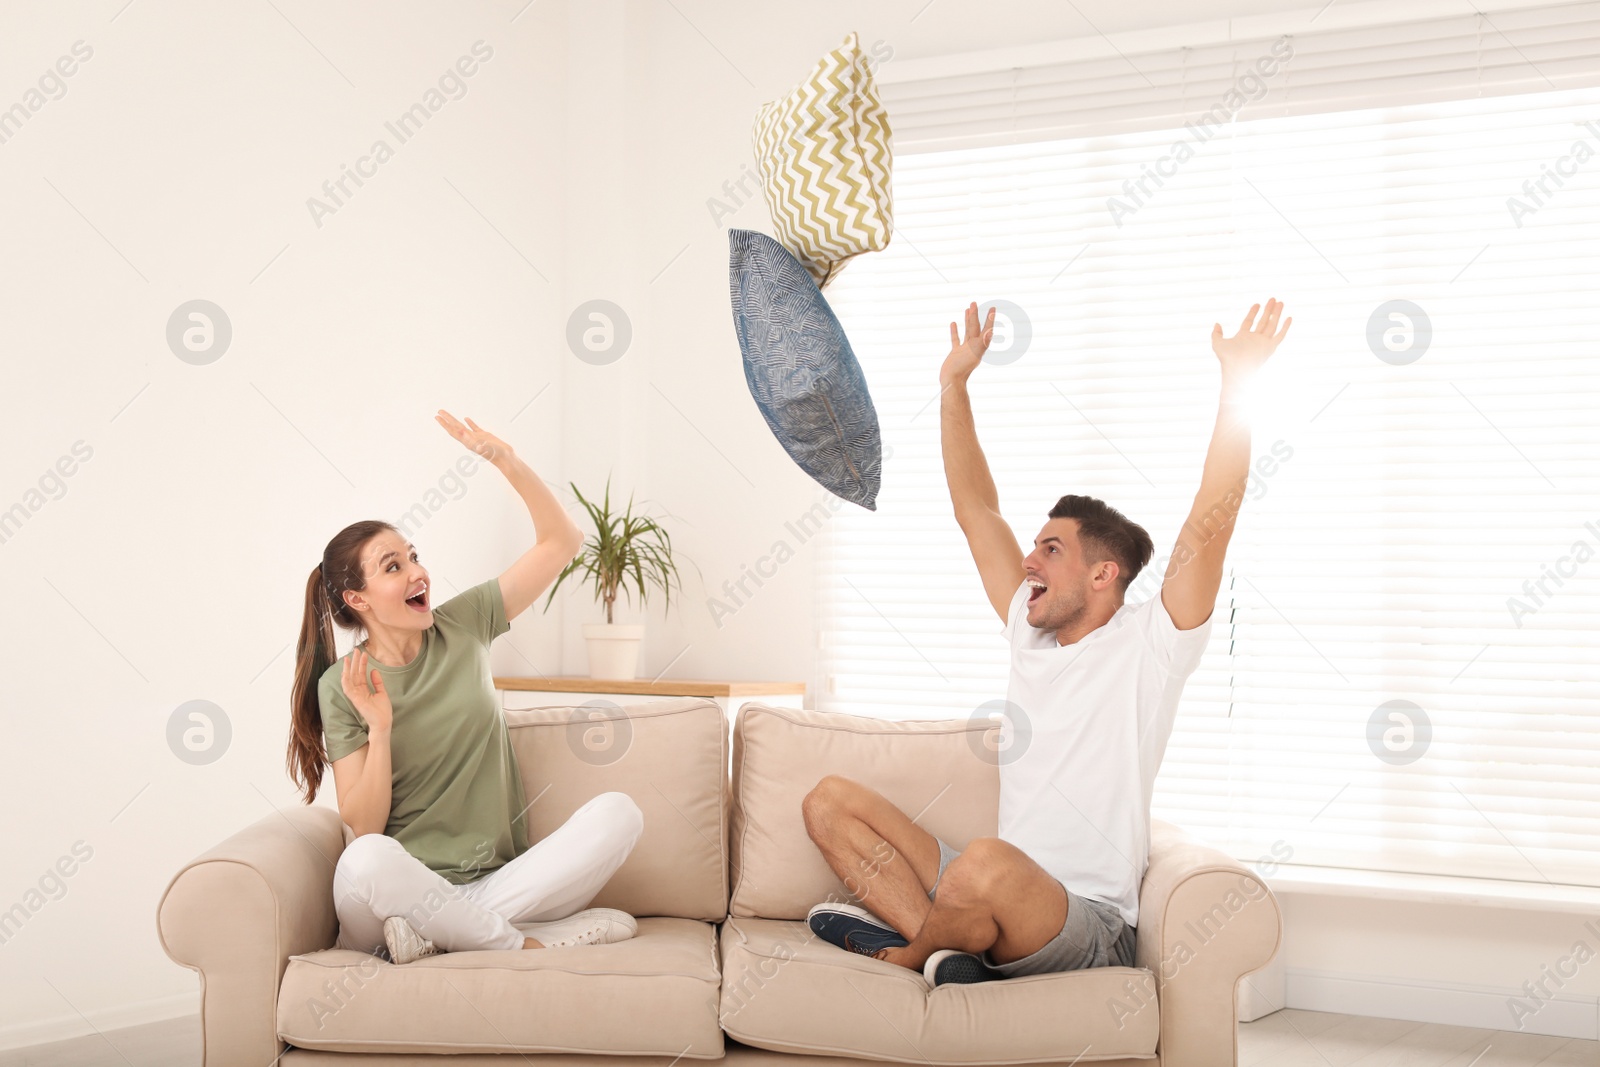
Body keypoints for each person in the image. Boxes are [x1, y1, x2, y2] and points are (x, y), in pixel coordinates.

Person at [804, 299, 1292, 986]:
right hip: (988, 881)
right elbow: (977, 510)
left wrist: (1238, 381)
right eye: (1034, 545)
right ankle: (953, 943)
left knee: (984, 863)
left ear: (1103, 573)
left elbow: (1212, 519)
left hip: (1083, 918)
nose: (1029, 559)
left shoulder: (1152, 644)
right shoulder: (1028, 632)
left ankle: (911, 953)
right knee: (829, 800)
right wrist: (953, 384)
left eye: (1050, 548)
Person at [286, 409, 645, 965]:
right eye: (392, 566)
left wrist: (507, 461)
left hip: (493, 884)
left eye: (414, 556)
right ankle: (521, 943)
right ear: (357, 599)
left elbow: (562, 541)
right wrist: (379, 729)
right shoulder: (343, 686)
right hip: (394, 899)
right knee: (365, 859)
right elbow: (363, 827)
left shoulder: (465, 622)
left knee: (620, 812)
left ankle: (446, 935)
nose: (416, 572)